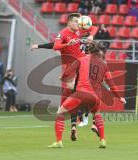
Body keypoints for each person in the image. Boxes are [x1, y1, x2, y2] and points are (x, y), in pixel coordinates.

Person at [31, 13, 98, 141]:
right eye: (76, 22)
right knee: (74, 91)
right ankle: (74, 118)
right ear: (69, 23)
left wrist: (90, 35)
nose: (79, 24)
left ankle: (80, 117)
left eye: (79, 22)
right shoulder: (63, 33)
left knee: (88, 89)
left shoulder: (79, 31)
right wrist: (67, 45)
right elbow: (55, 45)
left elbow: (94, 27)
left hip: (82, 63)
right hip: (69, 66)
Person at [47, 41, 126, 148]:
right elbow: (112, 85)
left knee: (60, 112)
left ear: (89, 50)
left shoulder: (81, 60)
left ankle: (59, 141)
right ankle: (102, 140)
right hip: (96, 97)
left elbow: (68, 72)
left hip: (81, 93)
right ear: (99, 52)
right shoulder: (104, 65)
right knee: (97, 114)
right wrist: (120, 97)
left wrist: (63, 77)